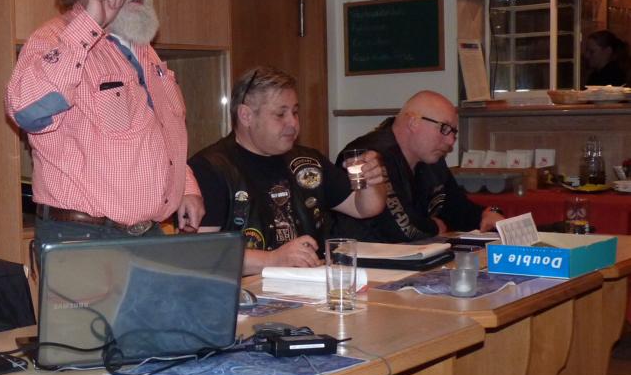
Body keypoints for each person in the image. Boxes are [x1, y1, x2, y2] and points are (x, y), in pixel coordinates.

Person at [6, 0, 204, 249]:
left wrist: (186, 187)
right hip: (83, 239)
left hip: (147, 234)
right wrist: (89, 25)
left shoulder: (144, 51)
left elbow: (160, 135)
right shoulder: (52, 41)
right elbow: (26, 110)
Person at [188, 66, 388, 275]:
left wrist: (371, 180)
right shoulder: (210, 168)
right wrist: (272, 259)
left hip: (308, 283)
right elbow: (198, 253)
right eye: (280, 114)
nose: (293, 123)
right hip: (245, 290)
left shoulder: (307, 162)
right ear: (246, 116)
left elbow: (365, 208)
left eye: (295, 112)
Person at [333, 91, 504, 243]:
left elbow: (456, 208)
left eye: (453, 132)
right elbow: (399, 229)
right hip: (363, 261)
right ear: (414, 122)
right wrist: (434, 227)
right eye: (444, 128)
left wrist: (485, 214)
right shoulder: (369, 156)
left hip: (408, 258)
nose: (451, 141)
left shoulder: (431, 159)